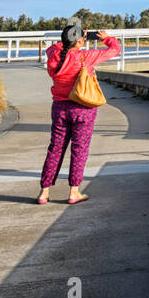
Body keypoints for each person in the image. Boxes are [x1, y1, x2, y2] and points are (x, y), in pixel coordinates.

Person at [38, 22, 121, 205]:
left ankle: (44, 192)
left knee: (55, 149)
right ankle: (74, 192)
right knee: (79, 150)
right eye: (82, 38)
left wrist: (73, 37)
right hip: (82, 109)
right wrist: (106, 38)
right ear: (78, 41)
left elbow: (56, 46)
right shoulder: (86, 57)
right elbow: (115, 49)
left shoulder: (54, 55)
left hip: (60, 108)